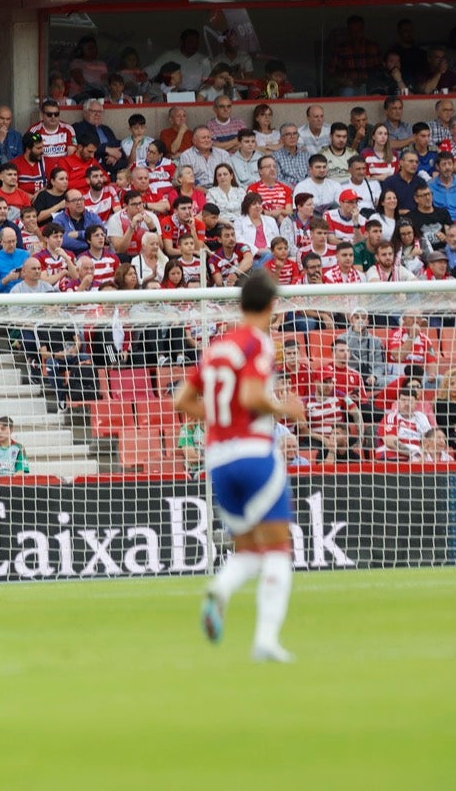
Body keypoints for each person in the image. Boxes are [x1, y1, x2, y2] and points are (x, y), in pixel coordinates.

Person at [174, 269, 304, 663]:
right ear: (271, 305)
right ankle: (265, 640)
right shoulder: (258, 343)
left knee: (248, 548)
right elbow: (250, 395)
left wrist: (219, 419)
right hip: (253, 452)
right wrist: (286, 408)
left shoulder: (217, 347)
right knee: (280, 547)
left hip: (218, 458)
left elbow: (181, 400)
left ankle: (219, 591)